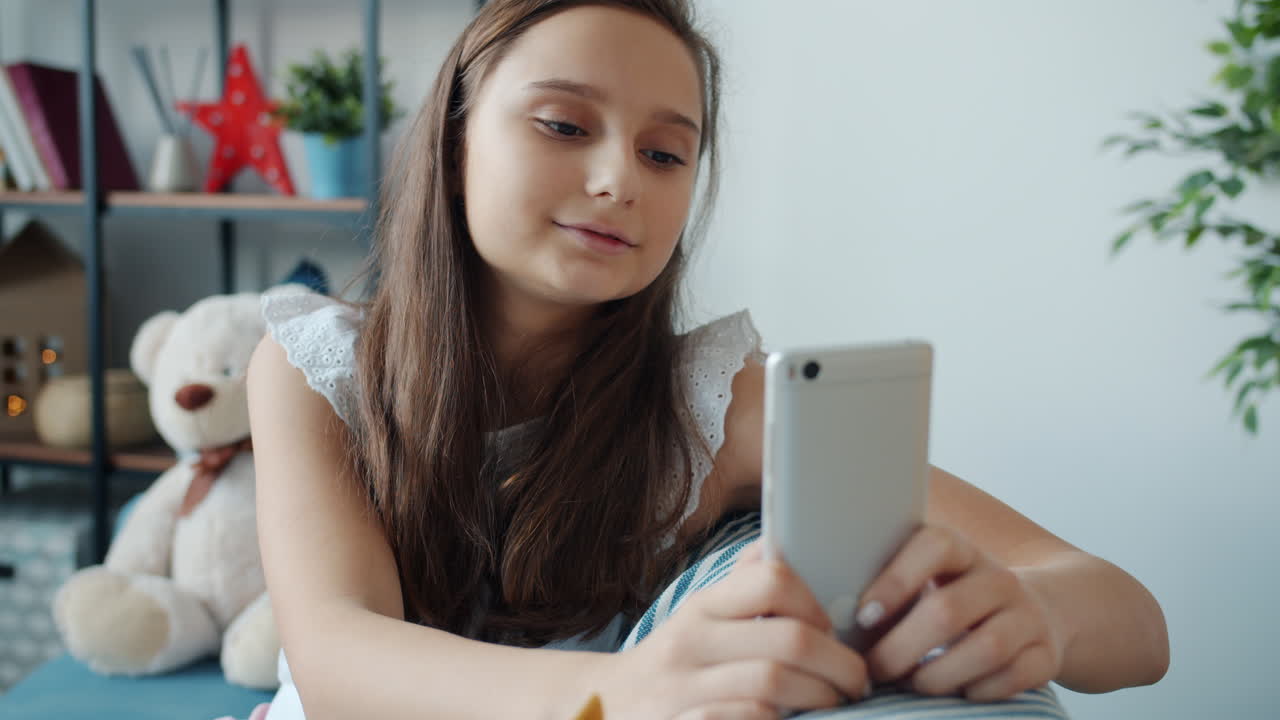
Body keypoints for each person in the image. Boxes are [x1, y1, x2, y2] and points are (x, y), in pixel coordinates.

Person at [245, 1, 1170, 718]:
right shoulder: (319, 368)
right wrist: (626, 695)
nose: (618, 181)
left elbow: (1135, 621)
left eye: (664, 153)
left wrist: (1037, 616)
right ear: (451, 145)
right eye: (564, 126)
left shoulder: (716, 404)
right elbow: (336, 658)